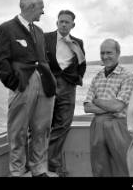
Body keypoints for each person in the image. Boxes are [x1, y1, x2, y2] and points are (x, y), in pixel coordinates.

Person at [0, 0, 57, 177]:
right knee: (17, 132)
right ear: (30, 7)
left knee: (42, 129)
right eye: (41, 7)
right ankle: (17, 171)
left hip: (45, 85)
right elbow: (0, 62)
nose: (43, 12)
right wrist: (15, 84)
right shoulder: (5, 29)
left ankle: (39, 169)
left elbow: (43, 58)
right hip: (22, 85)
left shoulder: (38, 31)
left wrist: (51, 80)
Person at [83, 38, 133, 176]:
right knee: (100, 166)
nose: (105, 56)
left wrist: (97, 101)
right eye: (102, 53)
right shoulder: (97, 77)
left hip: (119, 126)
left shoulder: (127, 76)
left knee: (123, 165)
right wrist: (109, 106)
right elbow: (87, 107)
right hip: (98, 127)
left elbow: (118, 107)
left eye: (109, 53)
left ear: (118, 53)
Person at [44, 10, 86, 177]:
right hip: (49, 85)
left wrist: (77, 78)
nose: (63, 24)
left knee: (64, 125)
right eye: (60, 21)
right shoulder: (45, 38)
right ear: (57, 22)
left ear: (72, 25)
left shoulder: (78, 42)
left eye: (66, 22)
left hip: (68, 87)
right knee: (43, 125)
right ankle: (46, 164)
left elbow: (82, 64)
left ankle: (52, 164)